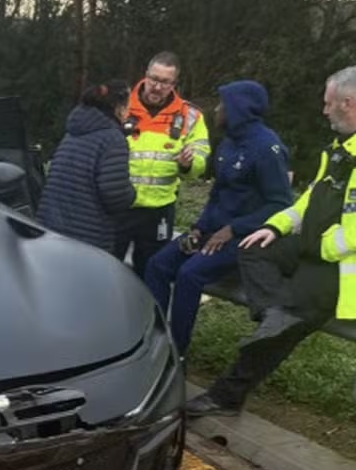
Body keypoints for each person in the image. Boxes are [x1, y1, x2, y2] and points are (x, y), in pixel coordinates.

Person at [188, 66, 356, 417]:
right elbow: (309, 201)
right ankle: (273, 314)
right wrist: (276, 228)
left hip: (336, 268)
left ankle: (226, 395)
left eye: (328, 104)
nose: (324, 111)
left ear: (349, 103)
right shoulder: (340, 150)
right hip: (311, 247)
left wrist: (319, 245)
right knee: (253, 248)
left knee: (280, 330)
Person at [144, 80, 293, 355]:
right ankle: (153, 338)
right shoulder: (227, 143)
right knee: (158, 265)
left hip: (242, 237)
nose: (217, 110)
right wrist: (199, 228)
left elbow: (280, 203)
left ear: (239, 109)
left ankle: (176, 352)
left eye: (223, 104)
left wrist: (233, 228)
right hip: (211, 231)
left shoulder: (267, 148)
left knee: (190, 274)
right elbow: (218, 193)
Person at [114, 52, 211, 278]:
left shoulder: (189, 115)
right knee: (108, 266)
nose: (157, 87)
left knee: (150, 273)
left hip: (159, 210)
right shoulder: (121, 106)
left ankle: (146, 313)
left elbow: (201, 159)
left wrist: (188, 164)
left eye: (165, 82)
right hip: (119, 205)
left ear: (175, 84)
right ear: (145, 75)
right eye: (153, 79)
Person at [37, 80, 135, 253]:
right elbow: (115, 196)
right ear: (118, 108)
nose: (129, 112)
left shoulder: (73, 132)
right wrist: (132, 194)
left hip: (51, 227)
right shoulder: (112, 139)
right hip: (87, 236)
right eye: (128, 106)